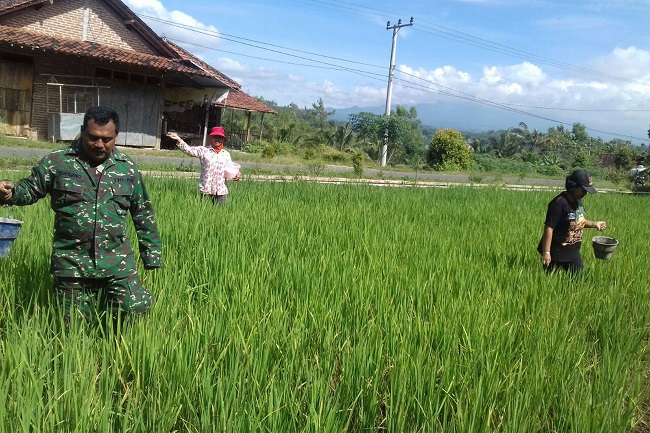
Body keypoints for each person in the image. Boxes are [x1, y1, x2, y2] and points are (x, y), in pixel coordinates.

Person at [0, 107, 162, 321]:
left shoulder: (127, 168)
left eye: (106, 139)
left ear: (116, 137)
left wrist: (152, 254)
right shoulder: (58, 162)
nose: (99, 145)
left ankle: (116, 347)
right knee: (72, 325)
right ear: (82, 131)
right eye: (93, 137)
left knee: (134, 308)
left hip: (117, 260)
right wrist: (10, 193)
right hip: (72, 263)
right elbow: (30, 188)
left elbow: (143, 212)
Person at [537, 169, 607, 274]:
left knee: (580, 281)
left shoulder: (578, 202)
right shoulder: (559, 203)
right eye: (583, 190)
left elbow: (579, 221)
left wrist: (594, 224)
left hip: (573, 252)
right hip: (556, 253)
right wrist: (546, 252)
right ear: (573, 186)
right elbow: (549, 227)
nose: (585, 194)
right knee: (550, 284)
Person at [166, 126, 240, 206]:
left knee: (221, 214)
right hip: (206, 189)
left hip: (221, 190)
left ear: (223, 139)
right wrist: (179, 139)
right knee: (205, 214)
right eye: (215, 137)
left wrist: (237, 173)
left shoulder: (226, 154)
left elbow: (230, 168)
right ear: (211, 138)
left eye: (220, 137)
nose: (217, 139)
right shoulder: (204, 150)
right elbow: (189, 150)